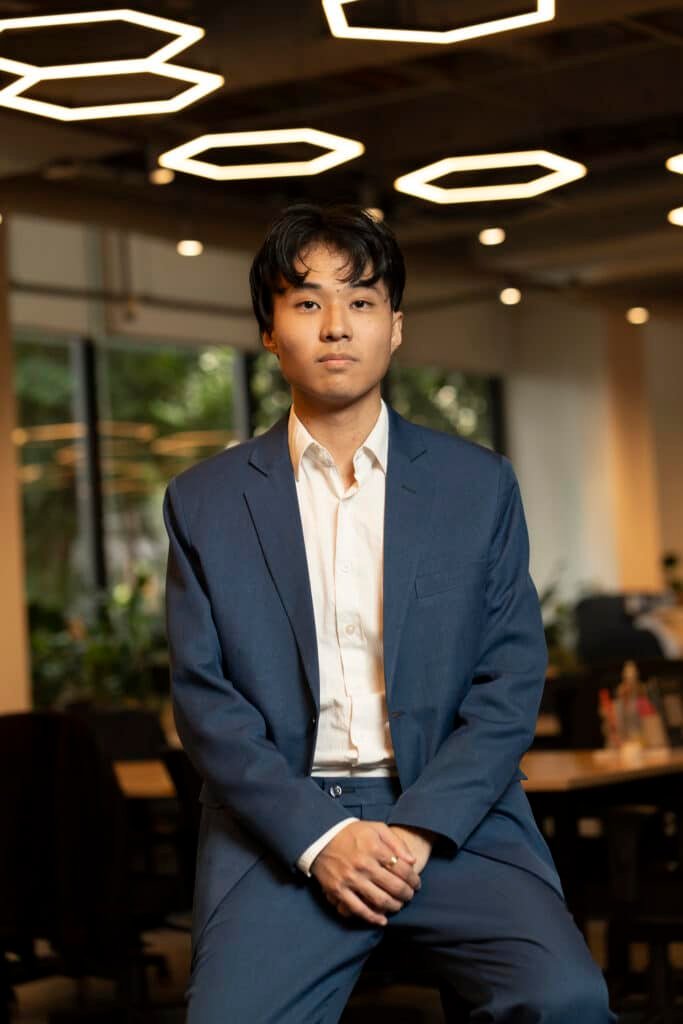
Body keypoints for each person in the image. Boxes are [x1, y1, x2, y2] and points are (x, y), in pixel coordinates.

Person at [163, 203, 614, 1022]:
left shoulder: (476, 486)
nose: (336, 325)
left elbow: (509, 682)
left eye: (361, 301)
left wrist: (417, 830)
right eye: (307, 302)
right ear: (269, 332)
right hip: (281, 825)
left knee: (564, 999)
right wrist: (321, 838)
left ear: (395, 328)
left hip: (455, 816)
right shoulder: (205, 501)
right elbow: (205, 701)